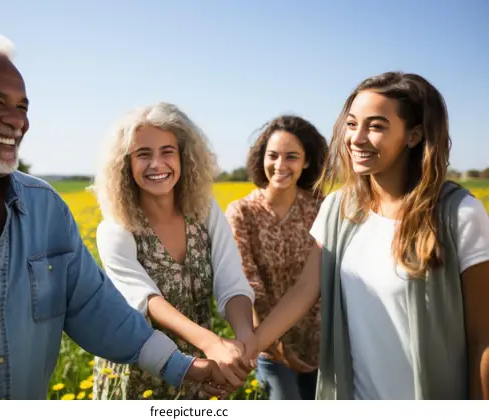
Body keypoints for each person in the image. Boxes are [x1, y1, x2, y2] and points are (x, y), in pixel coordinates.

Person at [0, 27, 227, 400]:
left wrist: (183, 367)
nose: (15, 120)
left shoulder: (45, 207)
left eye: (22, 107)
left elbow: (94, 307)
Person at [248, 71, 489, 400]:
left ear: (414, 135)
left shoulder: (458, 214)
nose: (356, 138)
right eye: (351, 124)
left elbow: (483, 338)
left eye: (375, 126)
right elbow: (305, 289)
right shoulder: (338, 208)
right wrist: (246, 348)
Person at [92, 102, 256, 399]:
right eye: (143, 154)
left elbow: (231, 282)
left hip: (203, 371)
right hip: (139, 375)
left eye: (167, 151)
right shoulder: (115, 228)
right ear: (125, 165)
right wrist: (211, 343)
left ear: (184, 157)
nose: (157, 164)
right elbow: (147, 301)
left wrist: (245, 341)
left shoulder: (206, 213)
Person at [225, 115, 327, 400]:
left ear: (306, 162)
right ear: (261, 159)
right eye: (273, 156)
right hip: (268, 344)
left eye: (292, 157)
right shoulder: (241, 212)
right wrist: (277, 346)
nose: (280, 166)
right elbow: (247, 284)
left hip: (323, 344)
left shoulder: (321, 207)